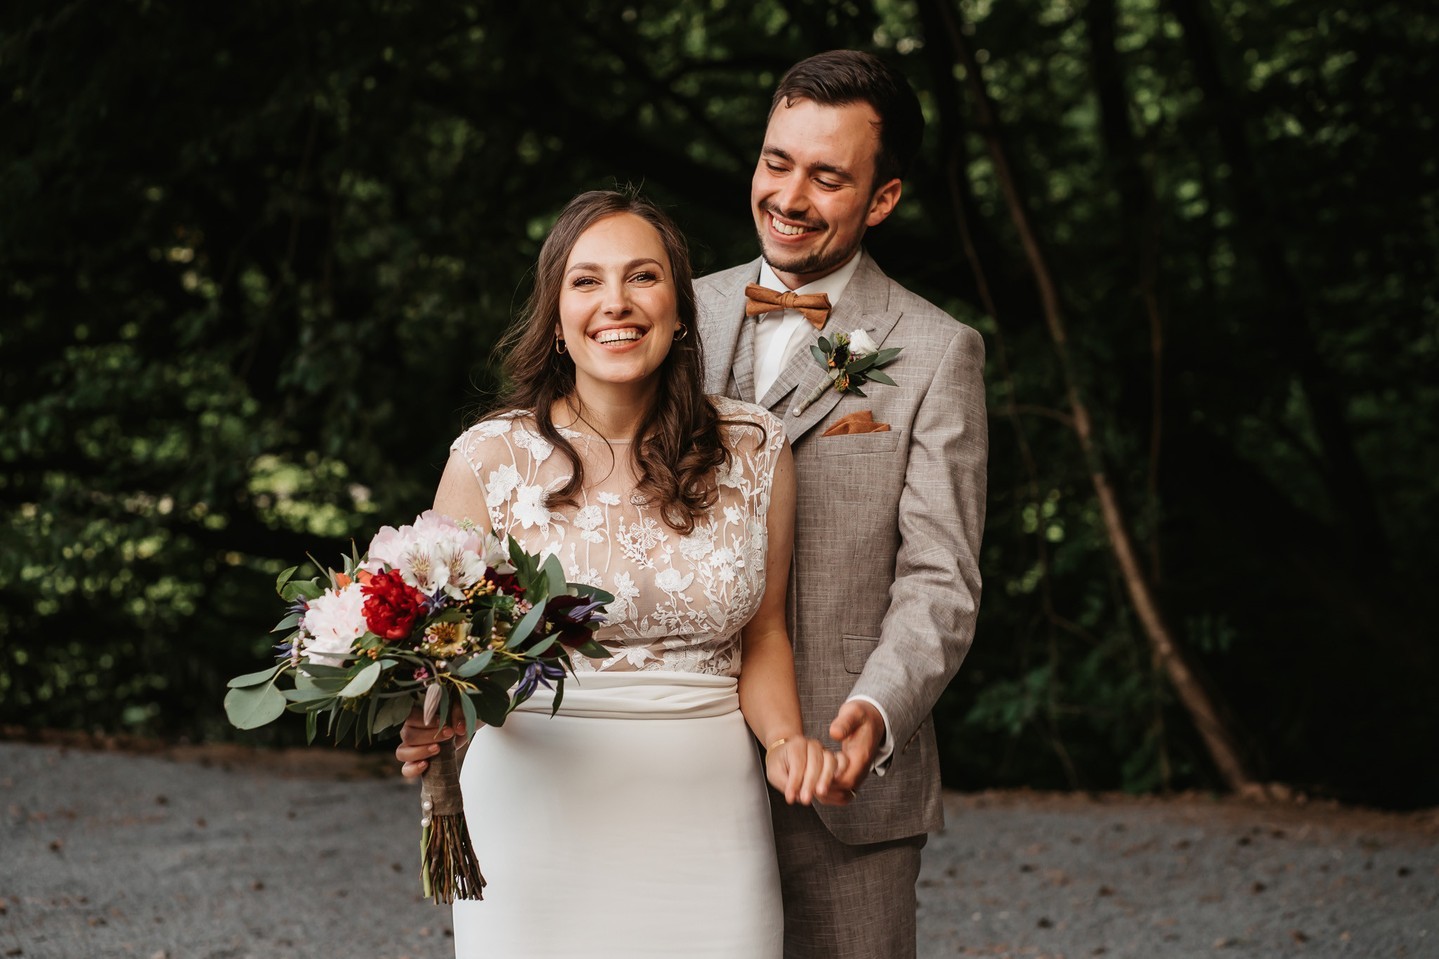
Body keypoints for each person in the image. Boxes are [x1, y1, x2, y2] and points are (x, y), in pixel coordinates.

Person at [397, 189, 847, 957]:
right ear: (557, 317)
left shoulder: (753, 447)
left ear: (679, 310)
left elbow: (765, 632)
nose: (616, 302)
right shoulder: (488, 458)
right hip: (534, 821)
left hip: (710, 822)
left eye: (642, 277)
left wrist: (784, 743)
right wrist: (428, 720)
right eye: (586, 280)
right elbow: (444, 650)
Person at [695, 50, 988, 959]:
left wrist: (875, 709)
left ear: (883, 198)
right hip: (675, 769)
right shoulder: (670, 316)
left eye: (827, 177)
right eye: (776, 161)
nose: (789, 195)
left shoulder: (938, 351)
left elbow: (939, 579)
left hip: (842, 788)